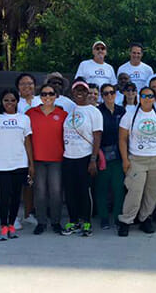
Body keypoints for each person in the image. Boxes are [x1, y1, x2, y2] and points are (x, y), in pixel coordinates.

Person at [117, 86, 156, 236]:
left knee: (152, 192)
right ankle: (126, 220)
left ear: (154, 99)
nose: (148, 99)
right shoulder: (130, 115)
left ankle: (145, 218)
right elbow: (122, 139)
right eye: (145, 96)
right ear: (139, 98)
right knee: (135, 191)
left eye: (151, 96)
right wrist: (125, 160)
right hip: (137, 159)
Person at [0, 89, 34, 241]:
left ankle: (12, 225)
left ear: (17, 102)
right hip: (2, 164)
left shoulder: (24, 119)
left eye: (12, 100)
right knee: (5, 196)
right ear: (2, 102)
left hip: (20, 163)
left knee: (15, 197)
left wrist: (31, 164)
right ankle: (3, 226)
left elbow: (27, 142)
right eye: (6, 100)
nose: (9, 103)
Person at [61, 80, 103, 237]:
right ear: (72, 93)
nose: (80, 93)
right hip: (68, 156)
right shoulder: (70, 110)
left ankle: (86, 222)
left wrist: (93, 159)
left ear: (87, 93)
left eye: (83, 90)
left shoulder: (94, 112)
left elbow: (97, 136)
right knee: (70, 191)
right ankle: (73, 221)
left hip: (85, 157)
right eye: (77, 90)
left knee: (85, 191)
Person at [26, 84, 67, 235]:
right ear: (40, 96)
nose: (47, 97)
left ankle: (55, 221)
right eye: (44, 94)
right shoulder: (31, 113)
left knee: (56, 191)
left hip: (57, 158)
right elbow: (26, 137)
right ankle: (42, 221)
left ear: (56, 96)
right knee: (40, 191)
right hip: (37, 158)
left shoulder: (63, 114)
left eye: (51, 94)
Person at [96, 84, 127, 230]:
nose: (109, 96)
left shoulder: (122, 110)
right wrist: (97, 154)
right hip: (102, 154)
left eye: (112, 92)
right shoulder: (97, 111)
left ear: (116, 94)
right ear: (102, 96)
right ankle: (103, 218)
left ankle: (117, 216)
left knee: (118, 188)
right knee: (101, 188)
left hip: (119, 154)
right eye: (106, 93)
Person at [13, 73, 40, 230]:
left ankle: (29, 214)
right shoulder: (15, 102)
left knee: (30, 182)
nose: (27, 86)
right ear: (18, 87)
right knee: (16, 183)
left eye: (30, 83)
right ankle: (14, 216)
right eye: (23, 84)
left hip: (38, 147)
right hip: (18, 147)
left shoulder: (40, 101)